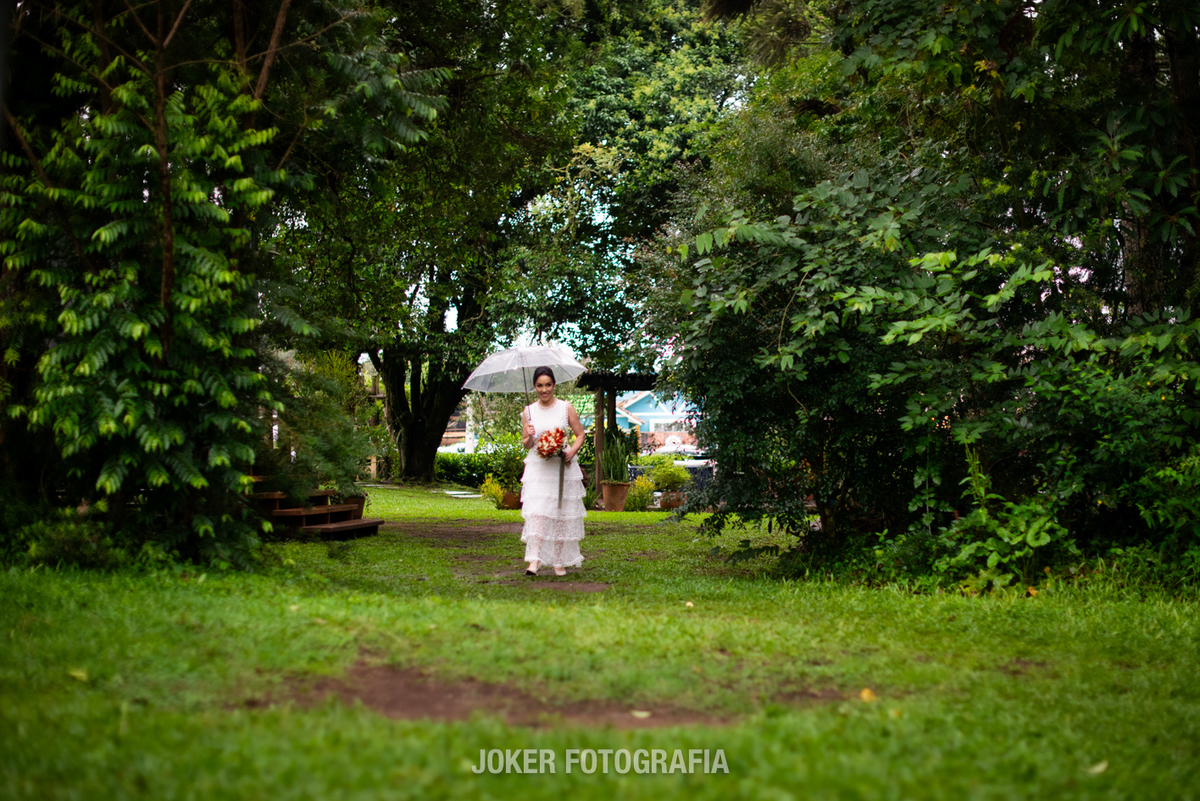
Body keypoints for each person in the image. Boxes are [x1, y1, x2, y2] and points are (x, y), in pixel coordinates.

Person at [520, 366, 587, 576]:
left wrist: (571, 452)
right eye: (539, 385)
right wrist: (529, 435)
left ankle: (558, 561)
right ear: (534, 387)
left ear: (554, 385)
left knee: (559, 513)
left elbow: (581, 434)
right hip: (539, 468)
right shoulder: (528, 412)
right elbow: (526, 444)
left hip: (561, 467)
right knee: (538, 513)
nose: (544, 389)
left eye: (548, 385)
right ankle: (535, 560)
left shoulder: (566, 408)